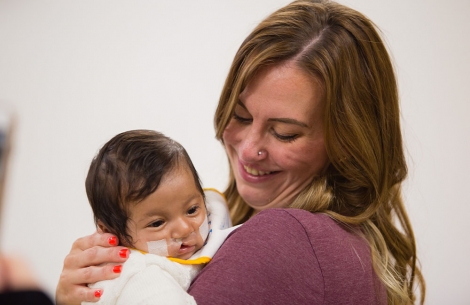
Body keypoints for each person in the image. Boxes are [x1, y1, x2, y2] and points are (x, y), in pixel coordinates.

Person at [56, 0, 426, 304]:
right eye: (241, 115)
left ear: (348, 142)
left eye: (284, 133)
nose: (248, 150)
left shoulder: (285, 238)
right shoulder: (348, 244)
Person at [82, 130, 236, 304]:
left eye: (192, 210)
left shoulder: (213, 214)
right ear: (113, 232)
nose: (184, 229)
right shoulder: (143, 277)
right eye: (157, 223)